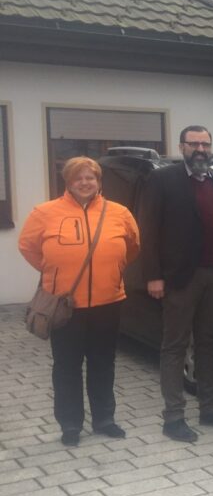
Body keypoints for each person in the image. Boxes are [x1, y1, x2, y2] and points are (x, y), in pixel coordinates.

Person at [18, 157, 140, 446]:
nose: (85, 183)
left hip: (108, 301)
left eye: (91, 178)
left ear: (99, 181)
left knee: (103, 362)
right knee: (66, 365)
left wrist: (111, 270)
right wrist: (55, 272)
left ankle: (104, 419)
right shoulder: (45, 213)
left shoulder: (119, 212)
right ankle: (70, 423)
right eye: (78, 178)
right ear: (68, 182)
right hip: (64, 304)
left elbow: (133, 246)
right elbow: (28, 247)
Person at [139, 126, 213, 442]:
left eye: (205, 143)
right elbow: (148, 229)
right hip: (180, 277)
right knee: (175, 346)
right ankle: (173, 417)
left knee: (208, 343)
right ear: (182, 146)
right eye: (193, 143)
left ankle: (209, 409)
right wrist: (153, 275)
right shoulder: (162, 179)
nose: (200, 148)